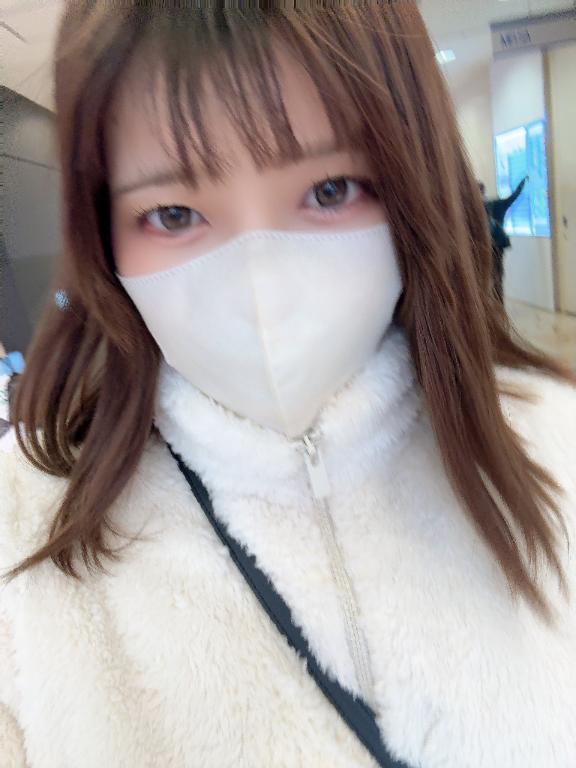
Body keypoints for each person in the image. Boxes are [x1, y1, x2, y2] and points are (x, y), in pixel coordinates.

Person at [1, 4, 575, 767]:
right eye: (172, 213)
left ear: (415, 189)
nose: (262, 288)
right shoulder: (21, 525)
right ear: (102, 237)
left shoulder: (557, 441)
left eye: (331, 190)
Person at [479, 177, 528, 303]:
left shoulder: (493, 206)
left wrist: (521, 185)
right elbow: (512, 198)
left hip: (494, 246)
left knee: (495, 276)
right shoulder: (487, 207)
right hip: (488, 247)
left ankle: (497, 304)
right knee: (493, 276)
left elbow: (512, 198)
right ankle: (495, 304)